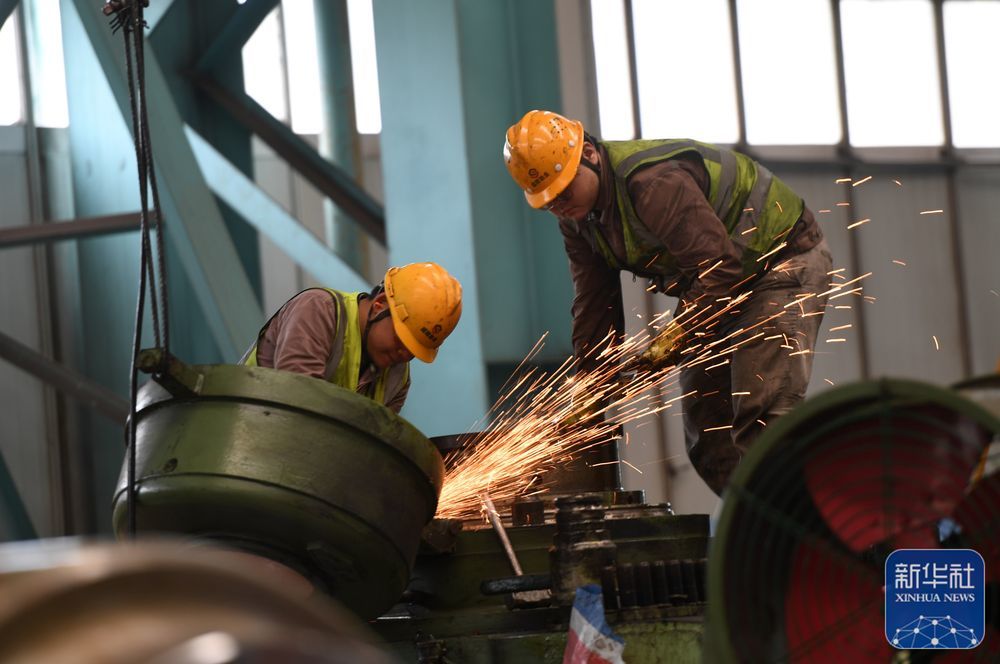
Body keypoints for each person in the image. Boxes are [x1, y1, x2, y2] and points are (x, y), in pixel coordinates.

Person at [503, 110, 833, 495]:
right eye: (548, 202)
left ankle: (804, 536)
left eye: (564, 191)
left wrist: (677, 334)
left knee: (761, 420)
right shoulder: (577, 220)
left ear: (589, 154)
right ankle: (754, 534)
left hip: (779, 264)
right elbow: (595, 303)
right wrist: (589, 384)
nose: (559, 205)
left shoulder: (651, 183)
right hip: (721, 288)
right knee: (708, 437)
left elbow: (718, 265)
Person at [240, 262, 462, 414]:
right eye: (401, 339)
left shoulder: (398, 379)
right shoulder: (319, 310)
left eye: (414, 350)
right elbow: (299, 406)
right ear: (379, 305)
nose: (404, 354)